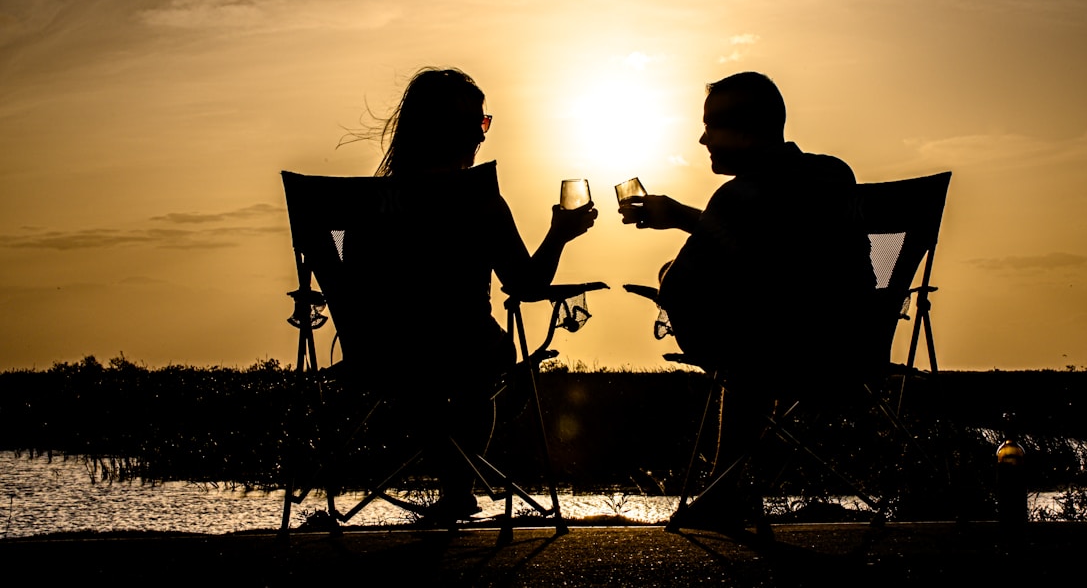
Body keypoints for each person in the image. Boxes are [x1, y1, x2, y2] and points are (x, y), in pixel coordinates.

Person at [339, 67, 597, 522]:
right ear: (456, 131)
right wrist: (559, 234)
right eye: (479, 124)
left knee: (423, 373)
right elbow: (527, 286)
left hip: (380, 356)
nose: (482, 137)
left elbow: (351, 280)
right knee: (477, 370)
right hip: (468, 353)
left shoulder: (366, 205)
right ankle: (459, 484)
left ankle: (453, 485)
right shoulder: (478, 201)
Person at [622, 71, 875, 527]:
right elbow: (782, 260)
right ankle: (728, 490)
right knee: (755, 337)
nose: (702, 139)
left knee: (743, 349)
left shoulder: (736, 196)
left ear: (744, 130)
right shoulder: (836, 174)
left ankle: (724, 493)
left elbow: (683, 287)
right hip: (853, 348)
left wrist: (678, 238)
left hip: (782, 353)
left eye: (710, 126)